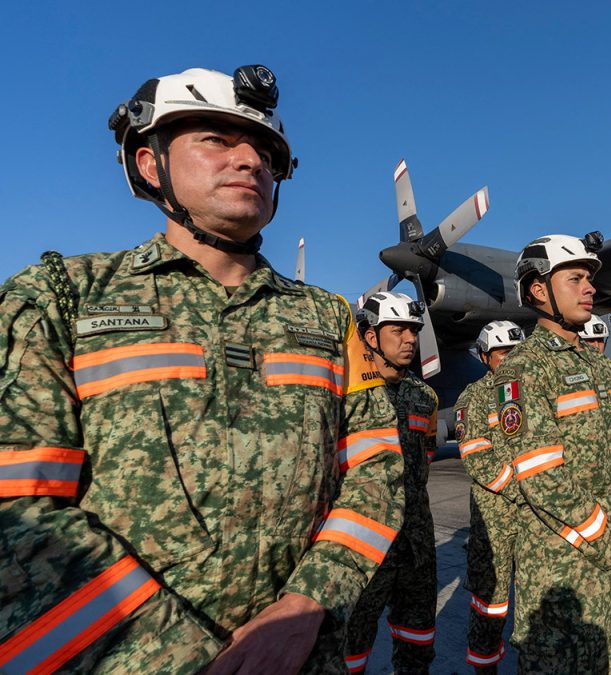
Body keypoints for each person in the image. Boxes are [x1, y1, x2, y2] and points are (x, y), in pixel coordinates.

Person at [0, 65, 404, 674]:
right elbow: (18, 510)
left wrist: (307, 603)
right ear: (148, 162)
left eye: (266, 151)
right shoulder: (61, 296)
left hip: (301, 656)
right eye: (216, 139)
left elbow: (378, 469)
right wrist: (180, 658)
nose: (250, 161)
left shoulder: (328, 318)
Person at [489, 233, 611, 673]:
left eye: (589, 279)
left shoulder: (605, 369)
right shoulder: (522, 371)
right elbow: (541, 476)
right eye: (576, 278)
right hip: (567, 579)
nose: (590, 288)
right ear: (539, 290)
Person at [346, 292, 440, 673]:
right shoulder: (350, 395)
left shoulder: (424, 396)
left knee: (418, 639)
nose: (410, 339)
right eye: (398, 329)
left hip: (416, 541)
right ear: (370, 337)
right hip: (363, 541)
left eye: (414, 330)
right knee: (351, 647)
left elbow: (427, 454)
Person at [455, 320, 526, 672]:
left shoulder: (533, 391)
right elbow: (477, 456)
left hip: (535, 518)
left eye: (515, 351)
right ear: (485, 356)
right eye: (501, 353)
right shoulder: (474, 396)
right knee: (490, 604)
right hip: (496, 519)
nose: (509, 359)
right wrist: (525, 491)